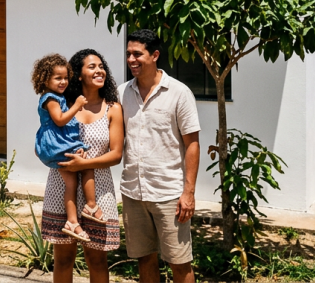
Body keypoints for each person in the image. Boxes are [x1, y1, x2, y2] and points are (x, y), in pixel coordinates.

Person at [121, 29, 201, 283]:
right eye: (128, 54)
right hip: (133, 192)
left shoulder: (179, 93)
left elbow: (192, 144)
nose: (132, 59)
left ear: (155, 55)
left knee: (179, 262)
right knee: (144, 258)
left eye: (137, 54)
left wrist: (188, 193)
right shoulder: (122, 93)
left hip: (169, 193)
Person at [42, 49, 124, 283]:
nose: (99, 70)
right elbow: (47, 136)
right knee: (64, 259)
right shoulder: (64, 105)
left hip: (98, 190)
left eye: (101, 66)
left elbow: (116, 155)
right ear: (78, 74)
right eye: (92, 66)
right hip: (62, 185)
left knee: (97, 260)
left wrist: (84, 163)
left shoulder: (113, 108)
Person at [33, 53, 104, 241]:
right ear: (45, 79)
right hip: (56, 145)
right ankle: (89, 207)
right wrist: (77, 105)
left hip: (61, 143)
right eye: (58, 78)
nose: (63, 82)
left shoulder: (58, 97)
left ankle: (73, 221)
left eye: (65, 78)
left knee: (73, 181)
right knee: (85, 167)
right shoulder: (50, 99)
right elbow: (60, 120)